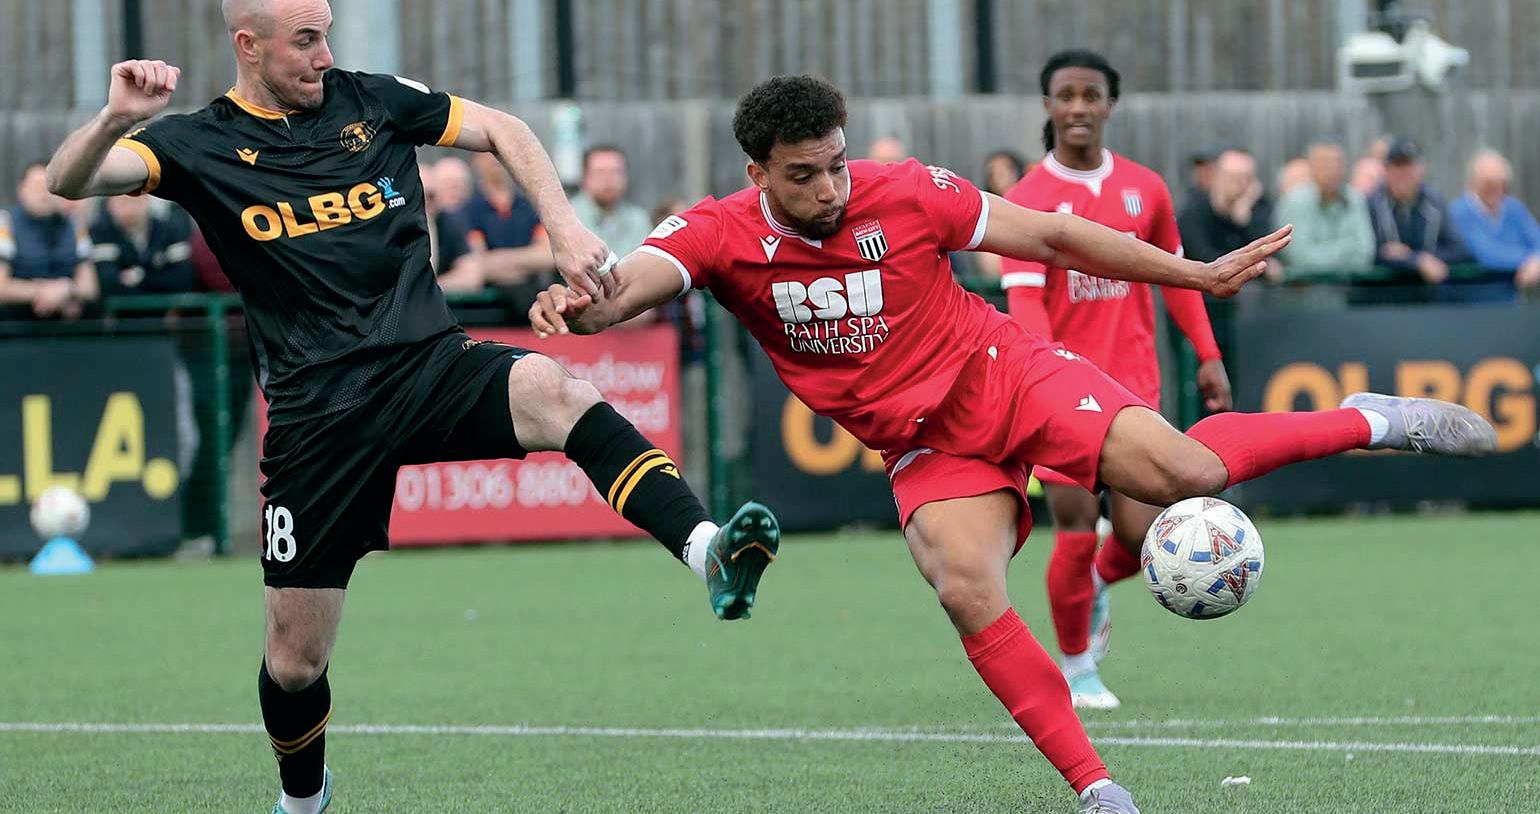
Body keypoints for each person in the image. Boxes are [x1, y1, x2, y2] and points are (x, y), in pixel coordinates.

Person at [529, 75, 1497, 814]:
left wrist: (1194, 275)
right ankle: (1098, 789)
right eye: (802, 174)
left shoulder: (909, 191)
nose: (829, 187)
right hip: (925, 447)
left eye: (836, 163)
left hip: (1005, 372)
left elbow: (1055, 239)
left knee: (1189, 472)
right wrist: (581, 304)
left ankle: (1373, 419)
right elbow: (631, 285)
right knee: (964, 587)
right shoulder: (716, 232)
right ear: (757, 174)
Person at [42, 2, 779, 813]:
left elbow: (504, 129)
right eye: (305, 41)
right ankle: (302, 802)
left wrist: (565, 227)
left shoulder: (373, 100)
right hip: (316, 415)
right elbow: (66, 180)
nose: (325, 55)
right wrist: (114, 118)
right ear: (247, 46)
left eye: (327, 33)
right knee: (295, 663)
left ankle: (707, 550)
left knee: (560, 392)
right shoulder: (196, 141)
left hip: (427, 363)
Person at [1000, 49, 1228, 711]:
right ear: (1048, 106)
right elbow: (1025, 302)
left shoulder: (1145, 189)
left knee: (1139, 535)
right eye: (1066, 95)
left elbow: (1176, 280)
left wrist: (1208, 353)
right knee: (1075, 528)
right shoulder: (1026, 200)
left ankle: (1097, 584)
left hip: (1133, 388)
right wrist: (1049, 377)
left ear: (1109, 105)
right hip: (1059, 392)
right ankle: (1077, 670)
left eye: (1090, 95)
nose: (1078, 107)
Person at [1368, 138, 1471, 291]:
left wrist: (1417, 258)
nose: (1403, 173)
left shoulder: (1434, 202)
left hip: (1427, 294)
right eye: (1397, 166)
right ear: (1386, 171)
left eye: (1409, 166)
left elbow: (1460, 250)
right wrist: (1414, 261)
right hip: (1381, 295)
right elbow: (1368, 252)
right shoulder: (1372, 204)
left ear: (1421, 169)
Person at [0, 161, 98, 319]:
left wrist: (67, 290)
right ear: (21, 190)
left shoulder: (75, 225)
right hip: (15, 323)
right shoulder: (5, 223)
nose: (43, 194)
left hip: (65, 324)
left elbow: (90, 288)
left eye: (49, 187)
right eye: (36, 187)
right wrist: (44, 292)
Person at [1447, 148, 1540, 299]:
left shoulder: (1514, 209)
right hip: (1472, 302)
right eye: (1488, 183)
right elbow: (1486, 255)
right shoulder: (1458, 213)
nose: (1495, 189)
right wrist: (1528, 260)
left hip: (1511, 301)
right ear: (1473, 183)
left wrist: (1537, 260)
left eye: (1501, 183)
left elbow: (1537, 241)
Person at [1275, 141, 1376, 275]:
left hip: (1349, 285)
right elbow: (1300, 259)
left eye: (1338, 163)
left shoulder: (1355, 198)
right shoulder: (1294, 202)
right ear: (1312, 168)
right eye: (1326, 164)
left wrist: (1322, 253)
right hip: (1305, 286)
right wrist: (1347, 248)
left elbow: (1365, 252)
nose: (1333, 169)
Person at [89, 194, 200, 295]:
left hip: (166, 308)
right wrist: (158, 278)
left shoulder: (170, 230)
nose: (129, 209)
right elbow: (107, 283)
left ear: (146, 200)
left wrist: (140, 277)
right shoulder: (100, 232)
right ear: (109, 204)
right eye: (122, 202)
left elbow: (183, 279)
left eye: (134, 201)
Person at [571, 145, 653, 257]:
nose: (609, 179)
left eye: (616, 172)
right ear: (585, 178)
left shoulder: (639, 219)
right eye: (600, 172)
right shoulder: (569, 217)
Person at [971, 149, 1029, 281]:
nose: (999, 177)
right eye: (992, 173)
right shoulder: (984, 215)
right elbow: (992, 267)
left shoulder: (1035, 207)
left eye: (1006, 170)